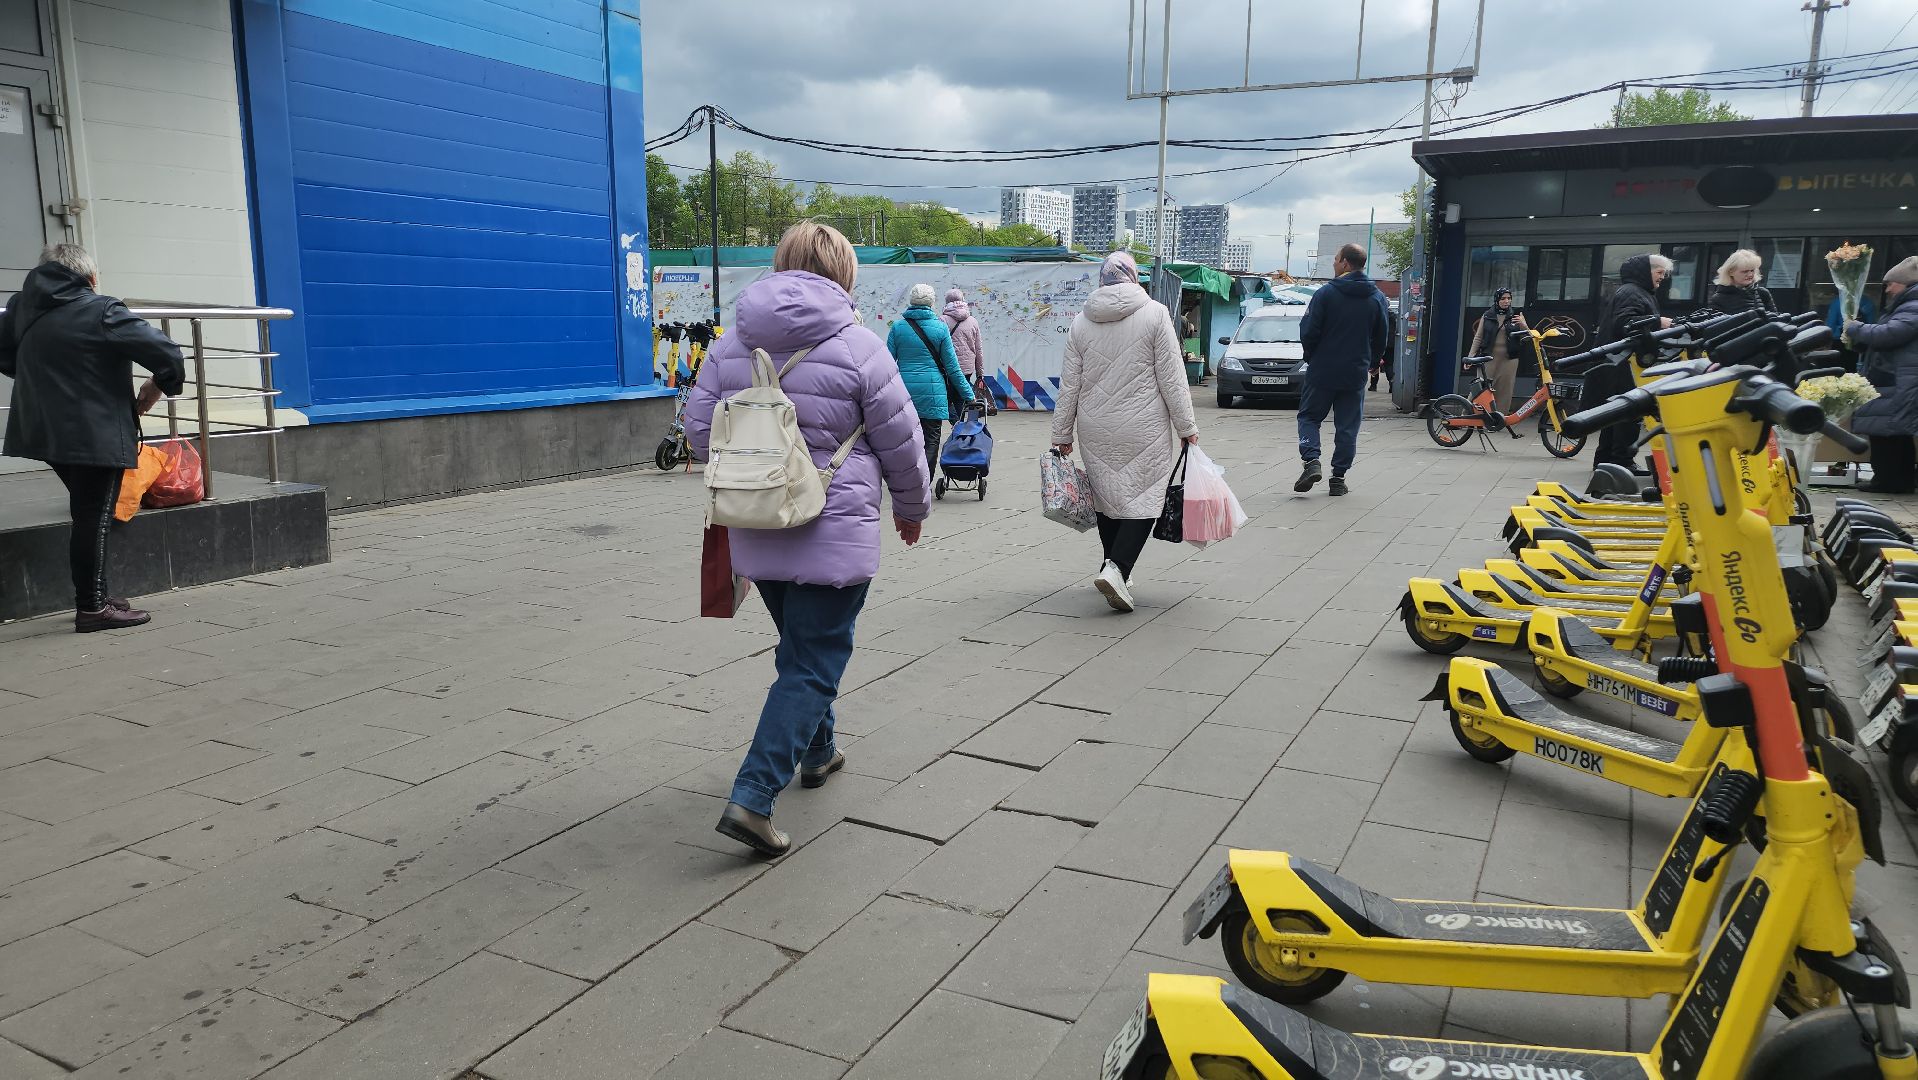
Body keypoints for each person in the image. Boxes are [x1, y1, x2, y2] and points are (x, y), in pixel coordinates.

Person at [684, 223, 931, 856]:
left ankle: (818, 751)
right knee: (815, 660)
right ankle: (752, 797)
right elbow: (901, 440)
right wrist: (911, 508)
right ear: (845, 273)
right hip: (834, 524)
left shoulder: (731, 343)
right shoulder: (859, 344)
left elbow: (696, 429)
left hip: (757, 522)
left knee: (801, 648)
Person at [0, 244, 184, 633]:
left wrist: (43, 381)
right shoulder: (102, 310)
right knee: (93, 516)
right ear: (90, 277)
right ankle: (93, 608)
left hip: (42, 427)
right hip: (91, 429)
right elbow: (167, 353)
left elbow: (3, 355)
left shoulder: (21, 308)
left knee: (88, 510)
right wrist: (156, 385)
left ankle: (96, 596)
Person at [1050, 251, 1199, 613]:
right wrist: (1186, 426)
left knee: (1107, 497)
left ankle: (1111, 565)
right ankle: (1118, 569)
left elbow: (1070, 384)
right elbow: (1172, 377)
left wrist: (1061, 434)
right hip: (1143, 425)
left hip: (1095, 425)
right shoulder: (1155, 314)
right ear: (1134, 277)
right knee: (1146, 497)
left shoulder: (1081, 322)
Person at [1295, 243, 1389, 496]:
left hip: (1323, 370)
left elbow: (1308, 331)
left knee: (1309, 417)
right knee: (1347, 426)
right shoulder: (1376, 297)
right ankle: (1338, 478)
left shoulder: (1326, 294)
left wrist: (1312, 357)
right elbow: (1382, 336)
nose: (1334, 264)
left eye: (1336, 259)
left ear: (1346, 263)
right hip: (1355, 372)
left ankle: (1312, 460)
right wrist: (1372, 362)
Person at [1581, 253, 1673, 470]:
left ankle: (1606, 462)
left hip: (1618, 363)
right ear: (1645, 272)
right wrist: (1658, 321)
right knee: (1628, 414)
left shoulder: (1635, 291)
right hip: (1623, 365)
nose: (1662, 278)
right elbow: (1624, 322)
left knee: (1616, 415)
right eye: (1659, 273)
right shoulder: (1633, 293)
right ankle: (1620, 461)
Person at [886, 283, 975, 487]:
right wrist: (969, 395)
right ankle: (923, 483)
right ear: (932, 303)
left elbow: (887, 366)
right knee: (932, 438)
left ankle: (904, 480)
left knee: (906, 439)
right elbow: (952, 369)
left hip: (904, 393)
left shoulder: (898, 328)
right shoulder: (940, 328)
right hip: (933, 393)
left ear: (911, 302)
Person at [1845, 257, 1918, 493]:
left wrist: (1856, 328)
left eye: (1890, 284)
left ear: (1905, 283)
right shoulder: (1907, 305)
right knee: (1896, 434)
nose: (1887, 290)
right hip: (1897, 377)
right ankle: (1900, 480)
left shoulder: (1912, 305)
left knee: (1886, 433)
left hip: (1897, 379)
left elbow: (1890, 334)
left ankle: (1888, 481)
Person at [1465, 287, 1528, 412]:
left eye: (1509, 298)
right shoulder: (1488, 315)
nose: (1506, 301)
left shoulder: (1515, 316)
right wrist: (1471, 357)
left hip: (1509, 358)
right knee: (1481, 387)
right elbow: (1478, 337)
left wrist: (1523, 324)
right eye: (1503, 298)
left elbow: (1528, 337)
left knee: (1505, 389)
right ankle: (1468, 414)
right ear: (1497, 299)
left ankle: (1499, 418)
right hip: (1488, 357)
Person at [940, 287, 985, 411]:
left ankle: (957, 423)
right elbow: (978, 349)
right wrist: (980, 374)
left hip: (948, 367)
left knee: (947, 398)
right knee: (961, 396)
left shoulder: (942, 320)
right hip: (967, 367)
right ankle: (963, 424)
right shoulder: (973, 321)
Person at [1707, 249, 1777, 317]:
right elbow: (1715, 326)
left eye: (1752, 270)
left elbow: (1775, 319)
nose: (1750, 275)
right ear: (1731, 272)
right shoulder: (1718, 299)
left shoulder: (1762, 293)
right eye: (1745, 271)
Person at [1832, 292, 1882, 382]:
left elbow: (1831, 324)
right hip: (1861, 342)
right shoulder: (1868, 303)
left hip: (1840, 341)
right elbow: (1872, 323)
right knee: (1854, 371)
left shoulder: (1838, 302)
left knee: (1839, 372)